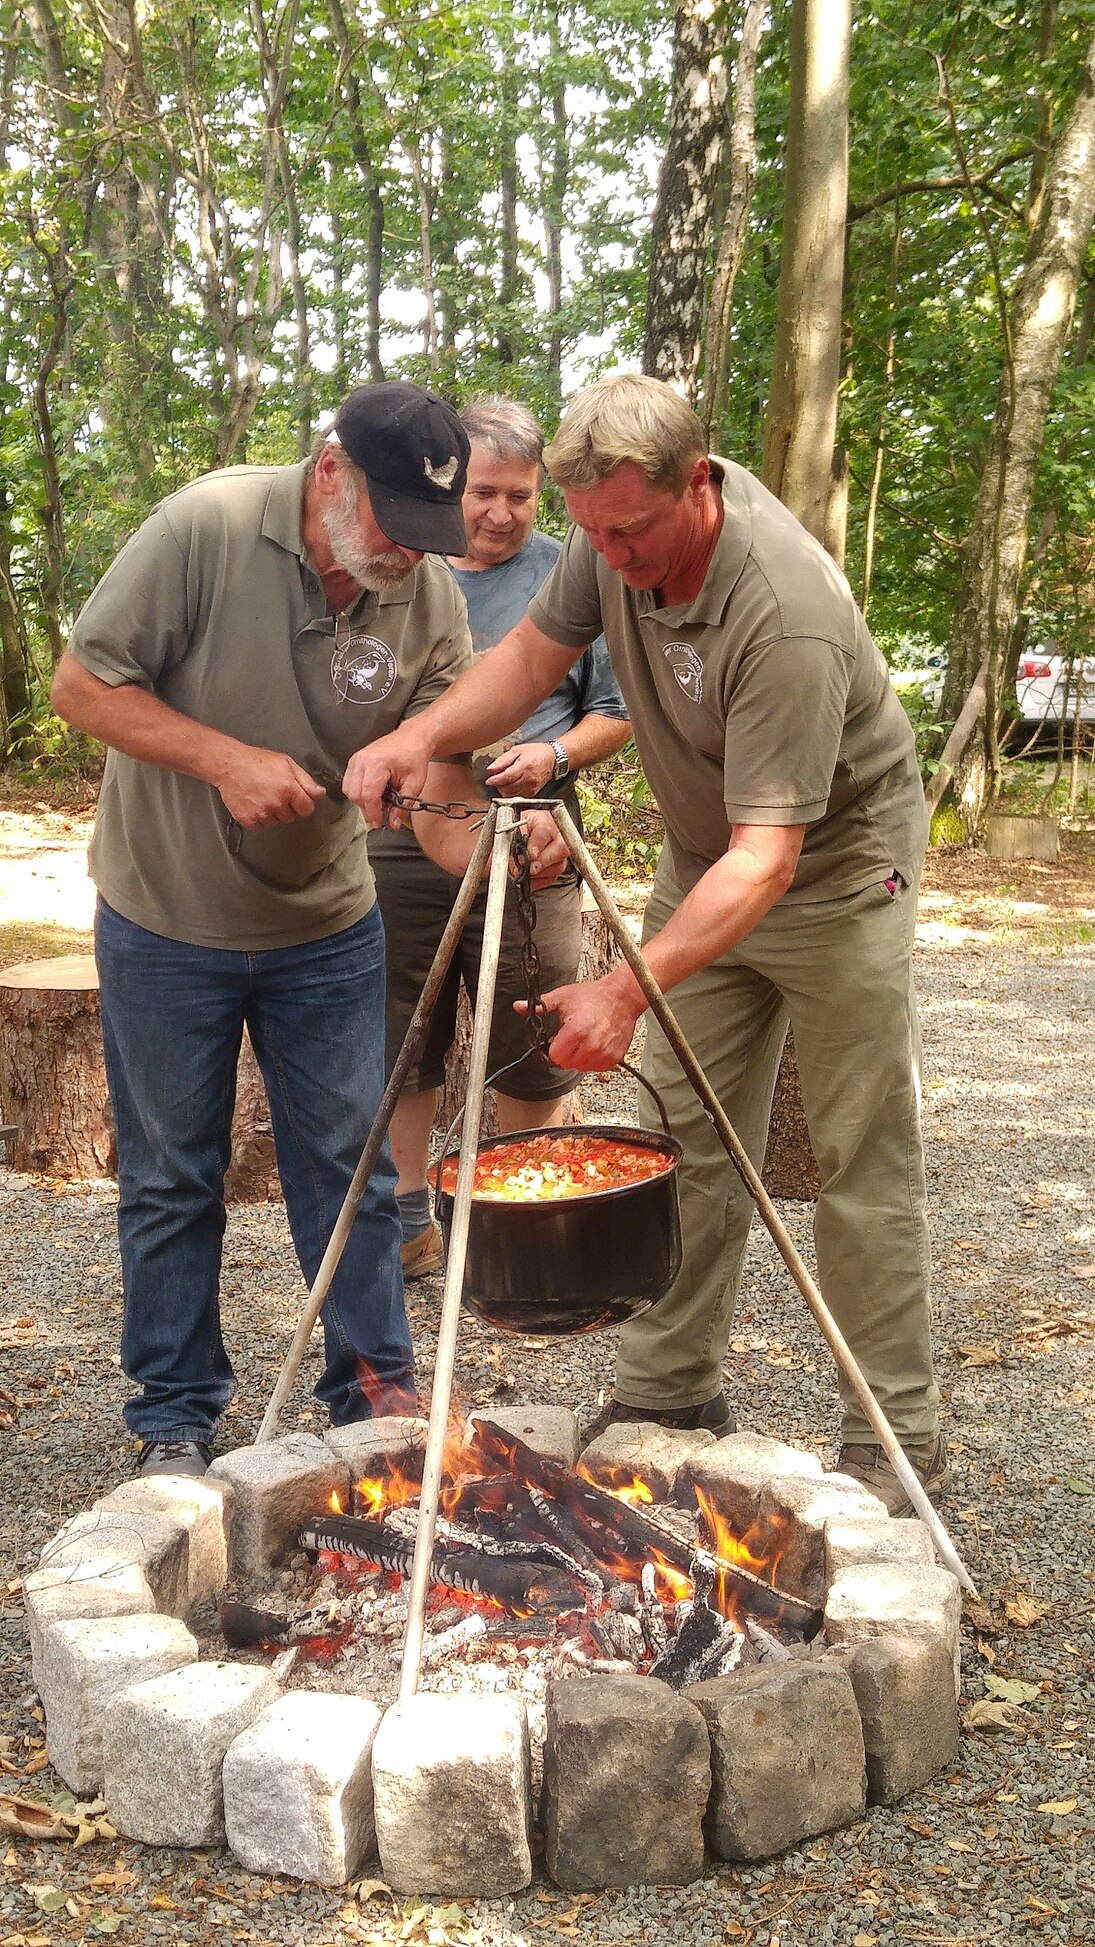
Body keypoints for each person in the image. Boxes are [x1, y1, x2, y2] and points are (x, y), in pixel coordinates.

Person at [343, 372, 947, 1519]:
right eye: (593, 532)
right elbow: (527, 662)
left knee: (862, 1159)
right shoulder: (605, 534)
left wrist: (620, 987)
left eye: (631, 529)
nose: (609, 553)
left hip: (833, 879)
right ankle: (670, 1391)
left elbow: (770, 860)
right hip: (706, 859)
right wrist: (420, 735)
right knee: (681, 1128)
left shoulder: (784, 608)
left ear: (700, 482)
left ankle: (891, 1432)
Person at [50, 380, 565, 1479]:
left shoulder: (423, 597)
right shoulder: (206, 527)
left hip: (326, 928)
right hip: (166, 915)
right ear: (331, 470)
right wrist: (223, 760)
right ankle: (174, 1415)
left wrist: (498, 847)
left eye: (431, 534)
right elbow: (82, 688)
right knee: (173, 1174)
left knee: (351, 1169)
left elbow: (438, 795)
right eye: (395, 523)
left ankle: (371, 1396)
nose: (410, 555)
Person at [369, 396, 631, 1279]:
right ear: (455, 490)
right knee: (403, 1029)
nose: (499, 514)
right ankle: (409, 1222)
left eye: (519, 497)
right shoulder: (406, 563)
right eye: (484, 493)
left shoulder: (570, 575)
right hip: (408, 838)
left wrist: (552, 749)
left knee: (534, 1030)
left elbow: (615, 714)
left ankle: (522, 1218)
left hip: (536, 839)